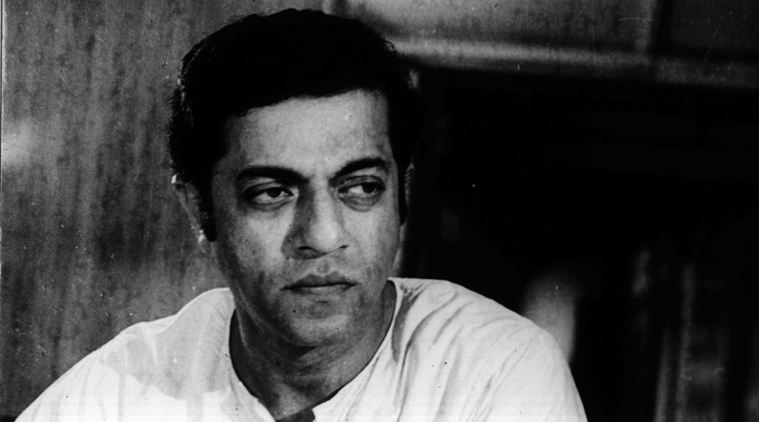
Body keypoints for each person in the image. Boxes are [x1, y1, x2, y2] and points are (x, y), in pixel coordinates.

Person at [18, 9, 586, 422]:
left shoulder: (494, 369)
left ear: (402, 197)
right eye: (272, 193)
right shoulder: (118, 390)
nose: (322, 235)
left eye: (361, 188)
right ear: (200, 209)